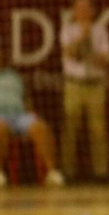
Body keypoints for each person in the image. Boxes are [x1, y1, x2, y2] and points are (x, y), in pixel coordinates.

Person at [58, 0, 109, 182]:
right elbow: (69, 53)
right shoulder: (68, 30)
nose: (82, 12)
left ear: (92, 11)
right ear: (74, 11)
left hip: (95, 85)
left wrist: (93, 55)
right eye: (78, 8)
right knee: (70, 127)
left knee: (98, 129)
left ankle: (101, 172)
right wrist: (83, 36)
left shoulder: (101, 30)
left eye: (85, 8)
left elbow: (106, 59)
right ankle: (67, 172)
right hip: (74, 83)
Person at [0, 46, 65, 188]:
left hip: (19, 115)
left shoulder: (12, 75)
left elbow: (25, 97)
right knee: (1, 128)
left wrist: (30, 111)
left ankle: (52, 172)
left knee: (40, 127)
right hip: (1, 117)